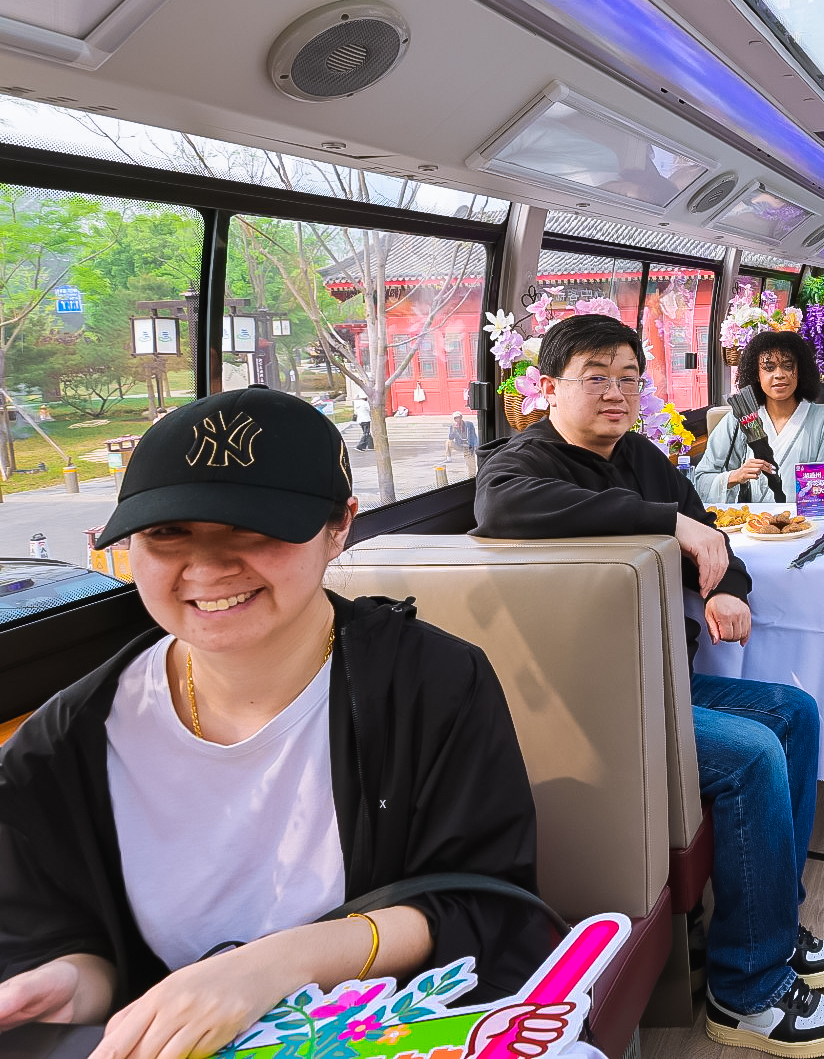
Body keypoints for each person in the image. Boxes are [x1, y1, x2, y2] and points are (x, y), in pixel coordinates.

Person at [0, 388, 549, 1059]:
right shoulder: (65, 741)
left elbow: (488, 904)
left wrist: (283, 963)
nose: (206, 568)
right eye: (167, 532)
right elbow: (60, 928)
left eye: (253, 527)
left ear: (340, 526)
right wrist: (72, 982)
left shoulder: (433, 684)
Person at [472, 314, 824, 1057]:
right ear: (548, 386)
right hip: (588, 708)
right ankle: (747, 993)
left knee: (795, 713)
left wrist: (726, 587)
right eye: (596, 377)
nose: (616, 393)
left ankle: (773, 926)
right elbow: (502, 509)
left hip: (658, 682)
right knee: (750, 755)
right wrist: (667, 525)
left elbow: (710, 534)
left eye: (629, 378)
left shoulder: (641, 456)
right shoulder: (522, 465)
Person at [693, 330, 824, 505]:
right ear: (756, 374)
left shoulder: (823, 420)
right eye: (769, 367)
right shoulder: (738, 419)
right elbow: (701, 481)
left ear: (800, 371)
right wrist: (734, 476)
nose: (779, 374)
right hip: (750, 521)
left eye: (788, 366)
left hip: (804, 519)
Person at [447, 411, 480, 476]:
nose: (457, 420)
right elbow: (450, 438)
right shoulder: (453, 426)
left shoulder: (469, 424)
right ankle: (449, 457)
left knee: (471, 465)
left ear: (461, 417)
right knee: (448, 442)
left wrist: (475, 445)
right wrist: (453, 430)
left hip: (468, 445)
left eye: (458, 417)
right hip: (459, 445)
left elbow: (473, 435)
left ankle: (472, 477)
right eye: (455, 418)